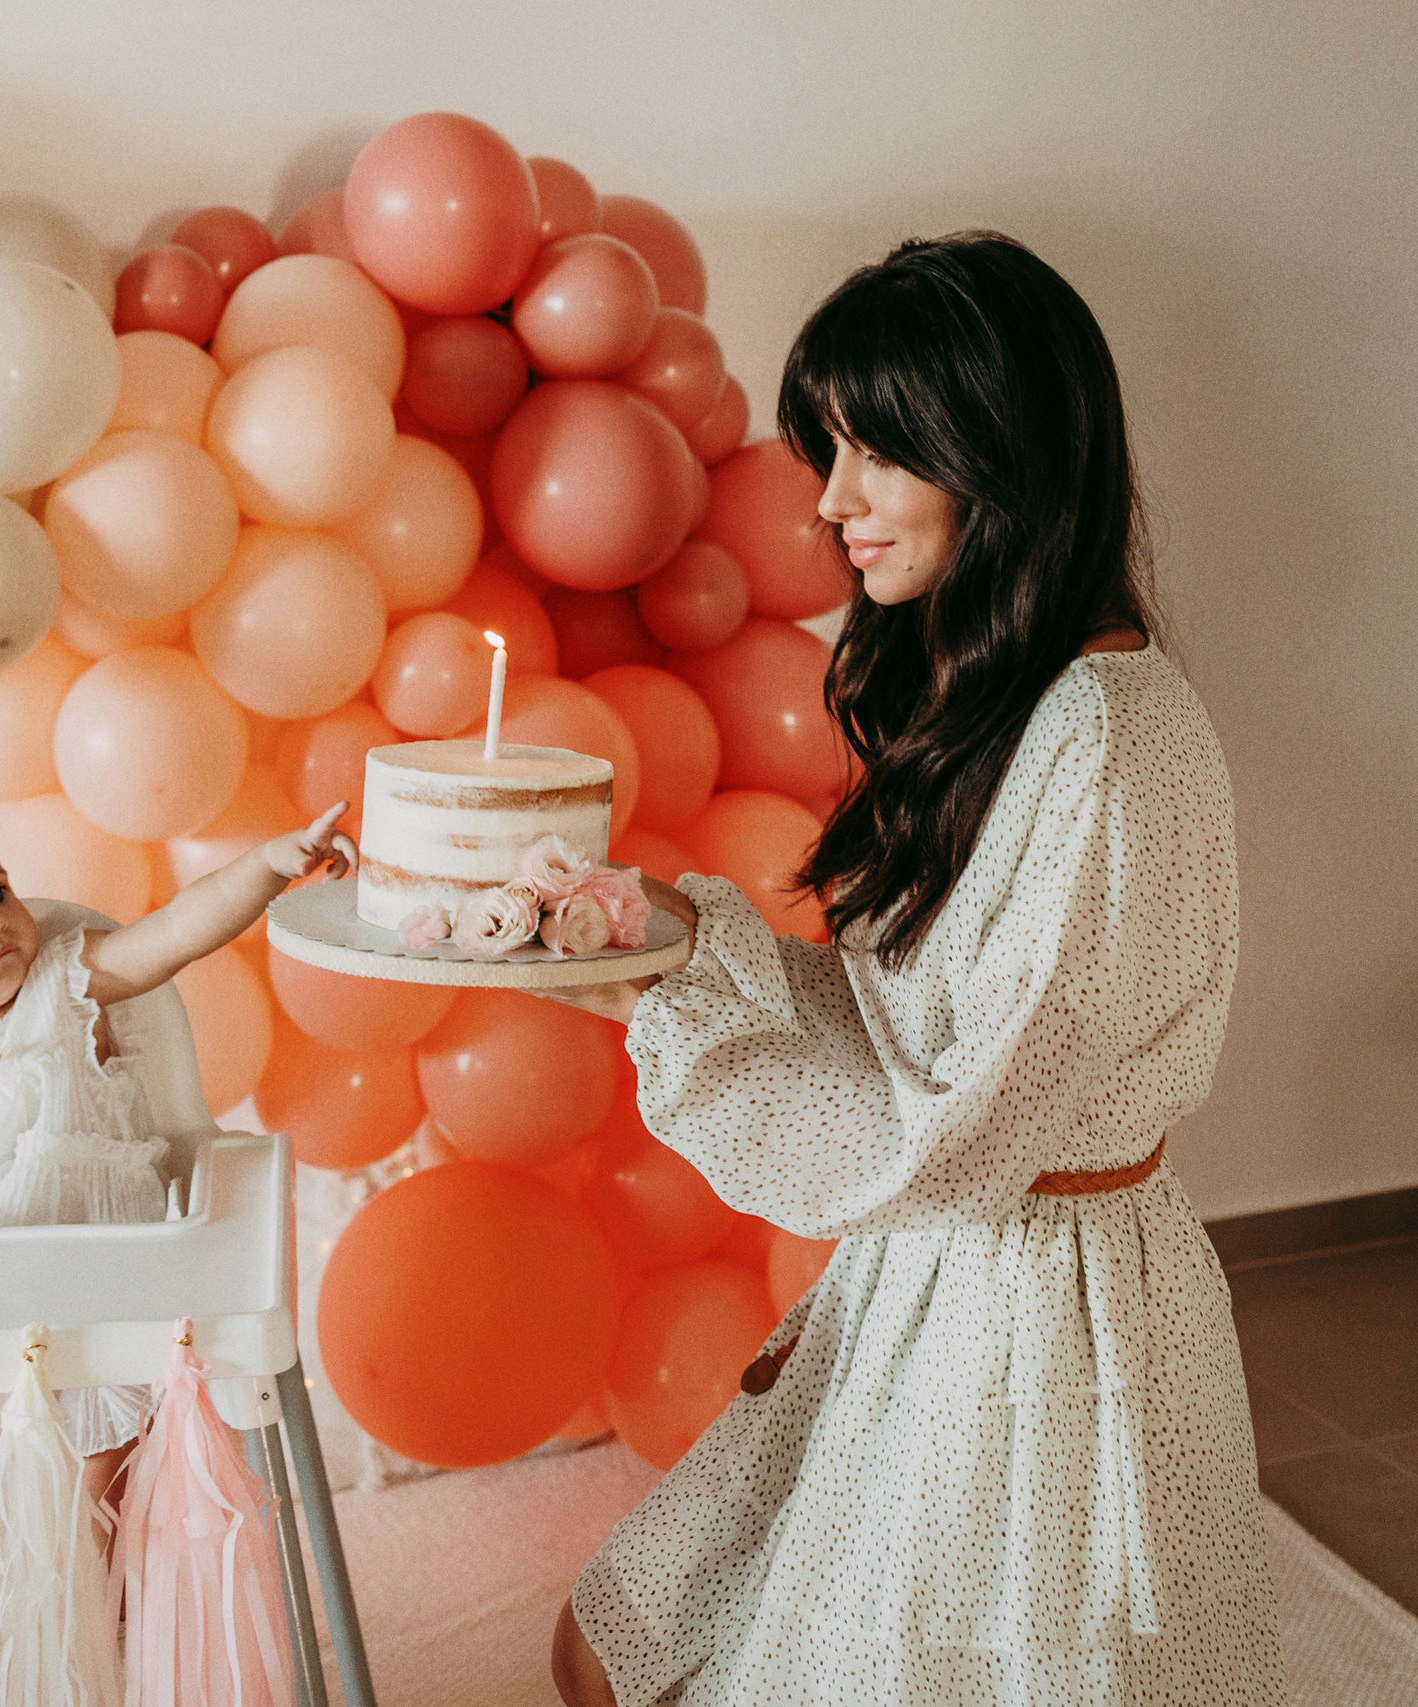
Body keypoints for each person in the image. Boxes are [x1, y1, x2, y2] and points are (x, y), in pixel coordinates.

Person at [547, 234, 1282, 1705]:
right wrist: (675, 939)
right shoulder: (1019, 698)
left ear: (997, 453)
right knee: (624, 1637)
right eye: (833, 450)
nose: (832, 502)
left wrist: (690, 1032)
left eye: (880, 453)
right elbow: (919, 1031)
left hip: (1037, 1312)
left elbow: (957, 1131)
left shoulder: (1107, 744)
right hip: (955, 1268)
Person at [0, 799, 353, 1499]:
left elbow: (178, 929)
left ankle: (95, 1603)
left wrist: (269, 866)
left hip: (102, 1295)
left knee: (103, 1480)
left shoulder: (64, 984)